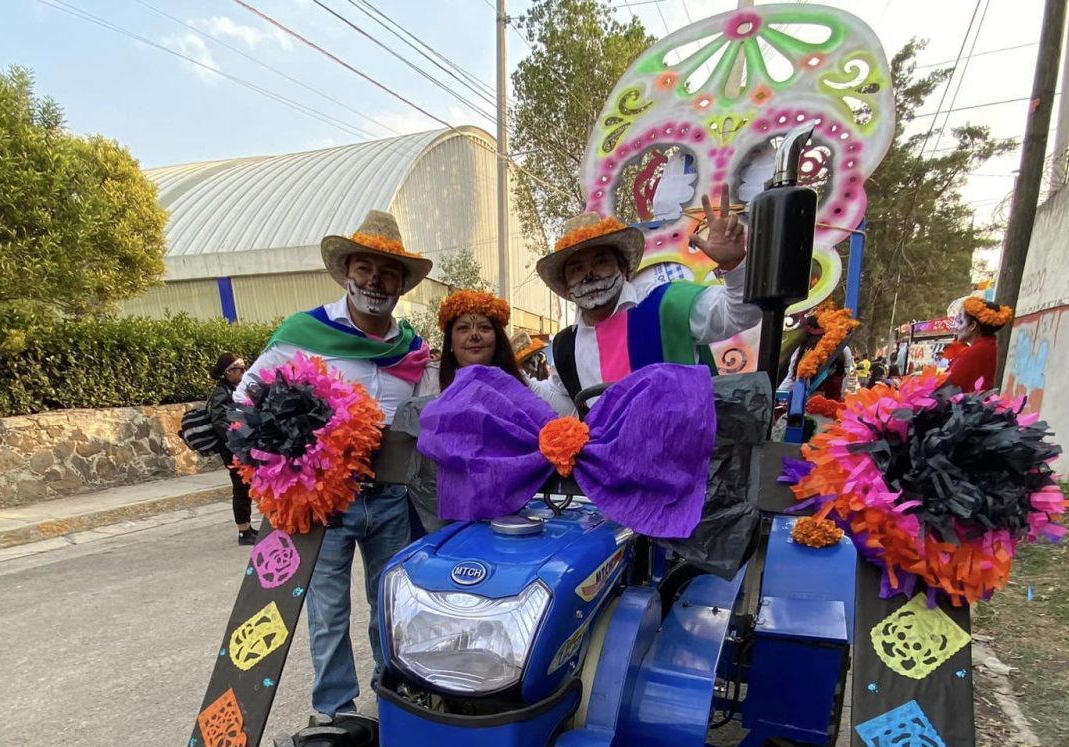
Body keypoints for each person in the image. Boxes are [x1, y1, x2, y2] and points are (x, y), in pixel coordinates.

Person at [235, 210, 432, 718]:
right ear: (347, 272)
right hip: (326, 501)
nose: (376, 281)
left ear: (402, 284)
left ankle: (393, 697)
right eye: (366, 268)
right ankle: (336, 713)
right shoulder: (304, 331)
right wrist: (291, 462)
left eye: (389, 272)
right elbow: (247, 397)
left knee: (390, 608)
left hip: (392, 499)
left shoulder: (411, 348)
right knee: (327, 613)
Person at [534, 190, 755, 410]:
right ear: (566, 285)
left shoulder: (668, 304)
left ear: (622, 268)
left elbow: (741, 313)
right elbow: (562, 402)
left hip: (682, 444)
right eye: (577, 268)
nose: (589, 274)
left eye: (600, 262)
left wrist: (734, 265)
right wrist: (508, 372)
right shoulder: (565, 345)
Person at [394, 289, 560, 534]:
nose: (473, 336)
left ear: (498, 339)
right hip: (432, 513)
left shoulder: (524, 390)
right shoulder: (427, 381)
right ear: (450, 342)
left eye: (483, 328)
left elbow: (553, 424)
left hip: (505, 514)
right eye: (462, 329)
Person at [207, 352, 255, 545]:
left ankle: (247, 527)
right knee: (240, 486)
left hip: (239, 445)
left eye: (244, 368)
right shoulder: (221, 392)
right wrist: (236, 436)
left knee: (247, 485)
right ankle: (243, 531)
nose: (243, 372)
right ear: (228, 372)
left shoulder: (235, 389)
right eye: (239, 369)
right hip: (231, 448)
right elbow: (219, 420)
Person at [946, 296, 1014, 392]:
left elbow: (948, 387)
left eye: (960, 322)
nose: (957, 328)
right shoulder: (989, 346)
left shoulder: (975, 352)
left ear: (972, 326)